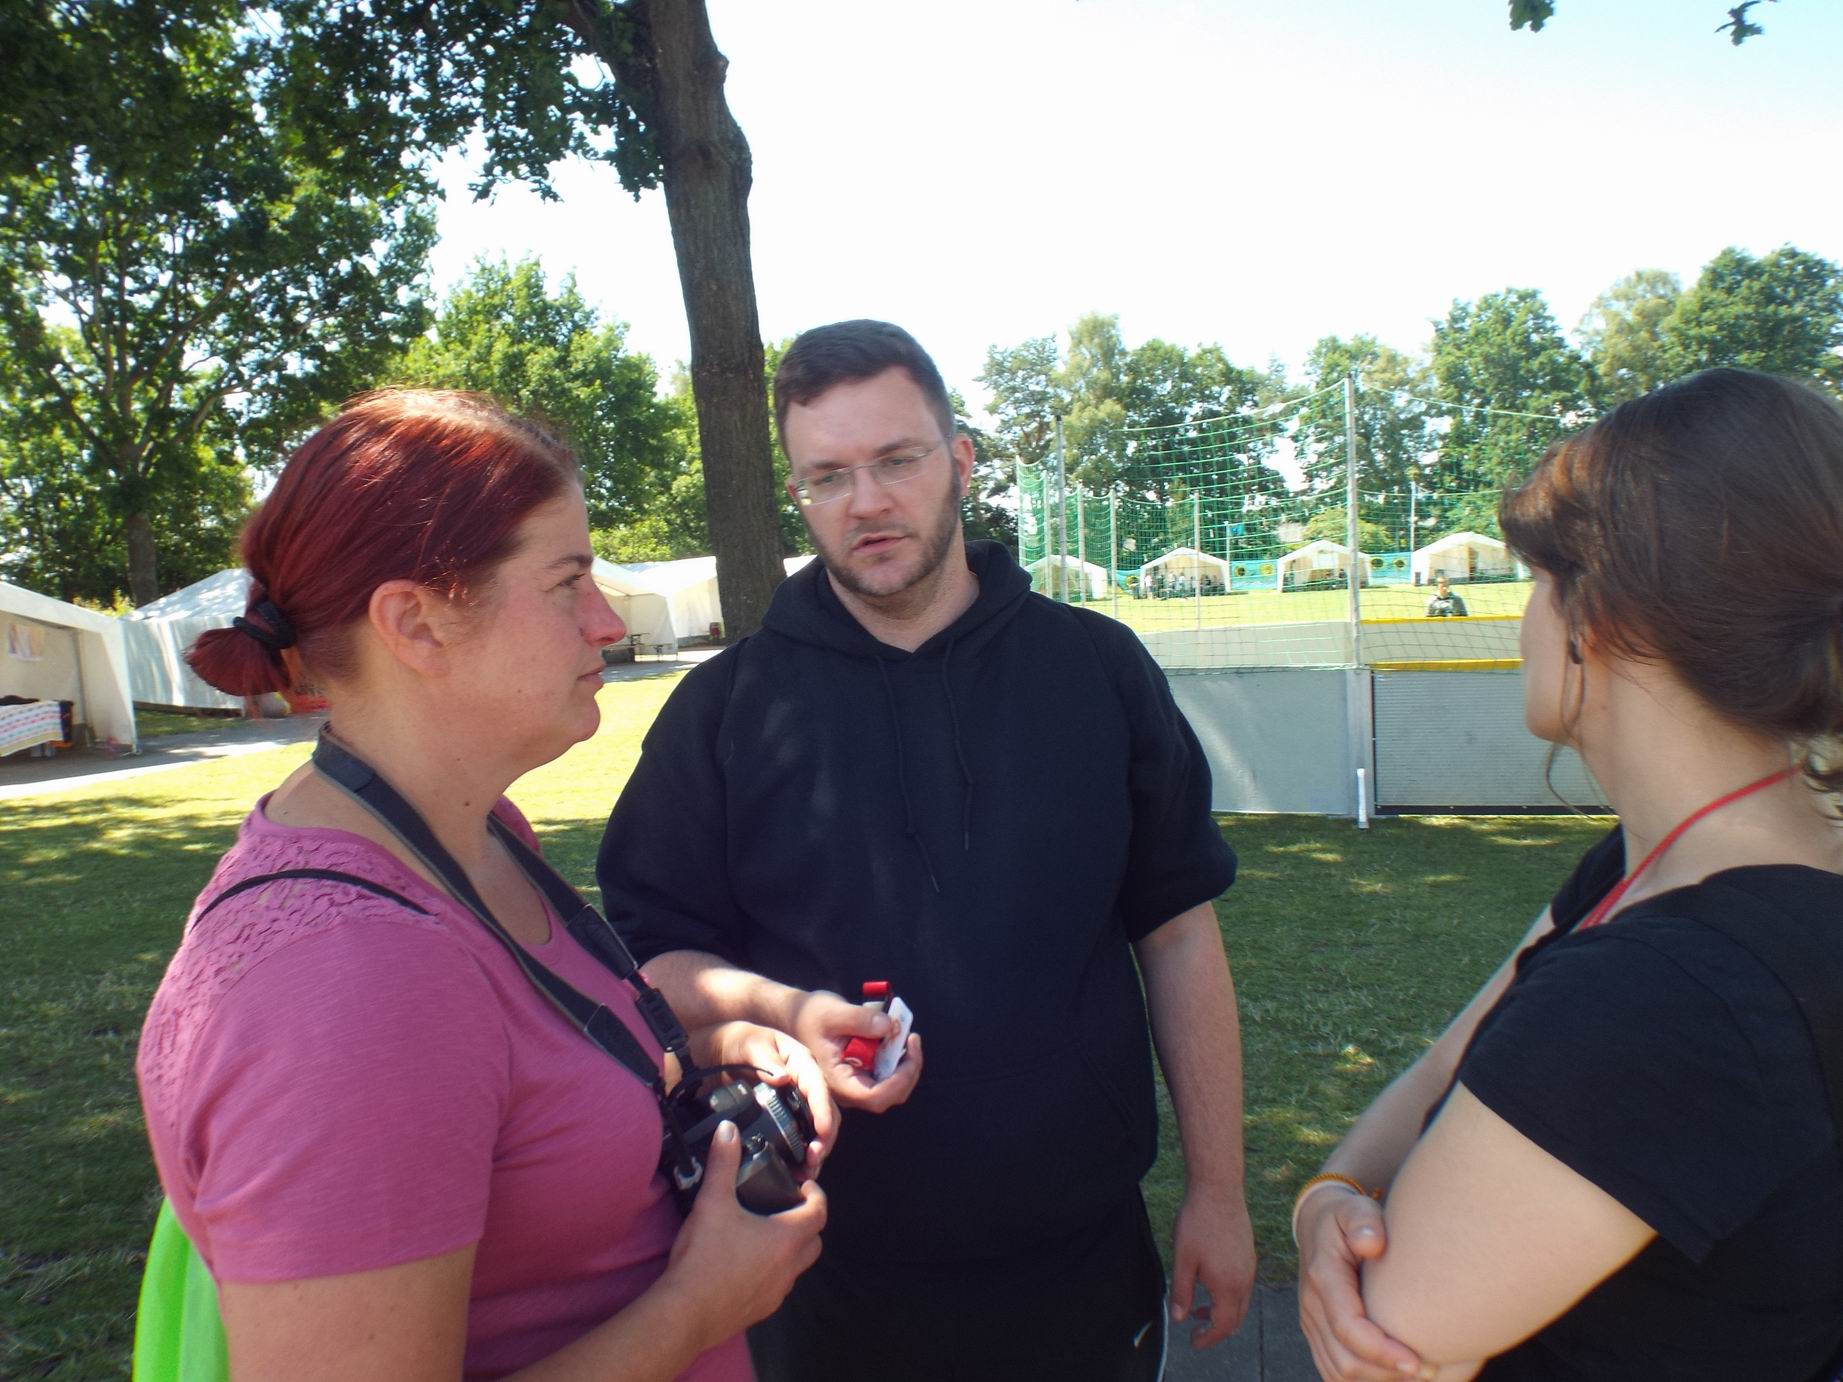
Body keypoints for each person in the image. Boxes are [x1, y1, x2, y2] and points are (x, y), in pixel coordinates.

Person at [596, 320, 1255, 1381]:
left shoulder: (1095, 670)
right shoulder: (724, 712)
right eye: (828, 476)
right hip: (813, 1271)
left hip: (1077, 1264)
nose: (865, 501)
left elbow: (1177, 934)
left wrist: (1218, 1191)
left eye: (896, 460)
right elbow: (650, 970)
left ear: (959, 461)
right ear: (799, 495)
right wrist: (787, 1021)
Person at [136, 390, 828, 1381]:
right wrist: (696, 1307)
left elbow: (512, 1077)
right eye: (567, 583)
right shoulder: (348, 981)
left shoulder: (473, 834)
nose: (605, 622)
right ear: (415, 622)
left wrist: (708, 1044)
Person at [1294, 368, 1843, 1382]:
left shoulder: (1669, 990)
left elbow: (1380, 1341)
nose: (1526, 622)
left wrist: (1339, 1212)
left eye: (1540, 582)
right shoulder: (1649, 871)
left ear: (1608, 616)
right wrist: (1328, 1193)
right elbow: (1440, 1070)